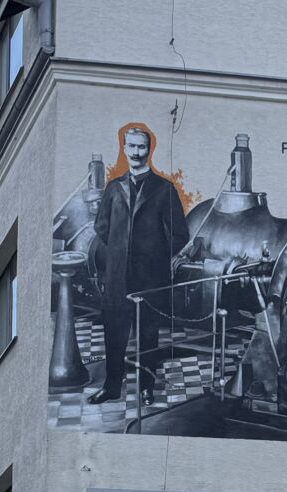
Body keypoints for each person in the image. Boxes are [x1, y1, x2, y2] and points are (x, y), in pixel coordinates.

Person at [88, 122, 189, 405]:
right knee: (114, 337)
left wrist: (154, 256)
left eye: (141, 147)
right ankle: (111, 387)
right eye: (131, 146)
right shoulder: (113, 188)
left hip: (150, 280)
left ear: (149, 150)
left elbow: (180, 234)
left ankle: (146, 388)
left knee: (148, 338)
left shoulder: (164, 189)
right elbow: (101, 227)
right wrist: (120, 254)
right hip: (117, 278)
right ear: (123, 148)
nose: (136, 152)